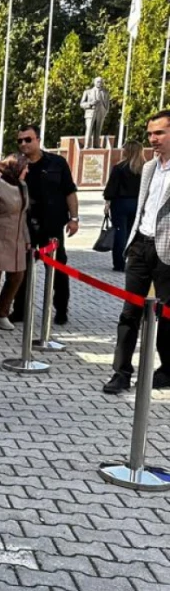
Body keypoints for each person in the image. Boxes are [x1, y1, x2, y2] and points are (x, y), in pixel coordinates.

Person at [104, 111, 170, 395]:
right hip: (141, 245)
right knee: (129, 312)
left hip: (167, 251)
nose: (152, 139)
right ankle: (121, 372)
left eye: (159, 133)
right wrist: (133, 242)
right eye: (150, 134)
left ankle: (167, 369)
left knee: (166, 316)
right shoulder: (149, 168)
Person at [11, 124, 79, 325]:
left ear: (38, 140)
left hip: (52, 225)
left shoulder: (57, 163)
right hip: (24, 227)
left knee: (58, 270)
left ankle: (61, 310)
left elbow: (70, 191)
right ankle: (19, 310)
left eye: (28, 139)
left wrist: (74, 218)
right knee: (20, 271)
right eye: (20, 140)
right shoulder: (16, 164)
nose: (24, 143)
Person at [0, 154, 31, 333]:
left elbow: (23, 215)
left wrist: (27, 238)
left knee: (17, 276)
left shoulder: (22, 186)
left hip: (17, 240)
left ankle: (2, 313)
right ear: (15, 168)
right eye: (25, 167)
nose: (27, 170)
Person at [103, 141, 144, 272]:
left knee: (120, 232)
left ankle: (119, 263)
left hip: (120, 203)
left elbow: (111, 188)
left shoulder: (119, 167)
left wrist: (107, 202)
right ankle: (132, 261)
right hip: (138, 203)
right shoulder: (145, 168)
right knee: (133, 233)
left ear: (127, 151)